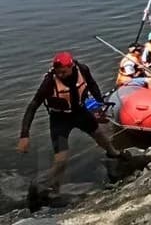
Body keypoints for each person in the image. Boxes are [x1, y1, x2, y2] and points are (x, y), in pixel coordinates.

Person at [18, 52, 126, 199]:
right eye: (58, 72)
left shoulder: (82, 69)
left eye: (63, 71)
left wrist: (100, 104)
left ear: (71, 66)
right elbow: (33, 106)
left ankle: (114, 154)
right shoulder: (49, 82)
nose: (60, 75)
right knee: (61, 159)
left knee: (100, 135)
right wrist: (24, 135)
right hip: (60, 119)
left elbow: (92, 85)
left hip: (80, 112)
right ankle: (52, 186)